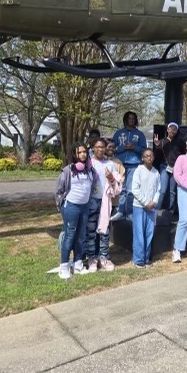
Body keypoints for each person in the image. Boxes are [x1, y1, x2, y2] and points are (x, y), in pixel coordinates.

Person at [55, 142, 94, 279]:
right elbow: (59, 190)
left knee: (81, 237)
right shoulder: (67, 171)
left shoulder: (89, 170)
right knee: (69, 236)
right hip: (71, 207)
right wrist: (61, 207)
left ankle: (78, 264)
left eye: (84, 152)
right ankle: (64, 266)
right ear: (74, 154)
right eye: (80, 152)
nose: (83, 154)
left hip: (84, 207)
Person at [86, 138, 122, 272]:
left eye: (103, 147)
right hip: (91, 200)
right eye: (98, 147)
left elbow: (118, 185)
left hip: (105, 201)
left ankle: (104, 257)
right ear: (93, 148)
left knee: (105, 231)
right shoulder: (89, 163)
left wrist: (111, 178)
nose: (100, 149)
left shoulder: (110, 164)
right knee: (91, 231)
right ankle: (91, 258)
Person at [112, 112, 147, 221]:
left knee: (131, 189)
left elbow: (144, 150)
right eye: (129, 118)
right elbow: (112, 148)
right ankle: (120, 211)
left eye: (133, 118)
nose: (131, 120)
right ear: (125, 119)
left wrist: (133, 147)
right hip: (120, 164)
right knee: (121, 189)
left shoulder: (140, 134)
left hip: (133, 164)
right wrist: (123, 147)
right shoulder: (118, 133)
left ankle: (130, 212)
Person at [131, 149, 161, 267]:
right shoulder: (138, 170)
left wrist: (153, 202)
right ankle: (138, 260)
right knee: (139, 233)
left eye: (151, 156)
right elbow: (135, 189)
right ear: (142, 158)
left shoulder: (156, 172)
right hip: (139, 206)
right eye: (146, 156)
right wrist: (145, 202)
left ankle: (146, 259)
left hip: (151, 207)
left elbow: (158, 190)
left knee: (149, 233)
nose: (149, 158)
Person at [153, 122, 186, 211]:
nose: (172, 130)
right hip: (164, 167)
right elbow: (156, 156)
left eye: (174, 129)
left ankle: (169, 212)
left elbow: (184, 155)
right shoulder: (162, 141)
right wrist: (157, 146)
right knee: (162, 190)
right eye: (170, 128)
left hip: (176, 168)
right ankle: (156, 210)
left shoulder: (180, 142)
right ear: (167, 130)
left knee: (172, 192)